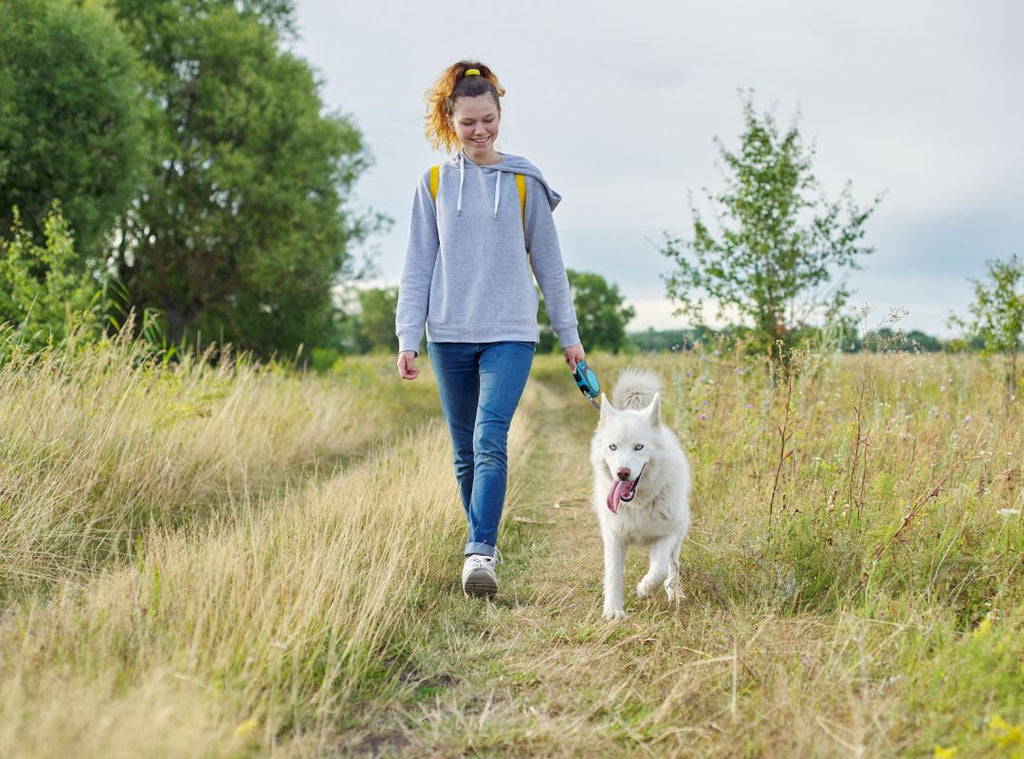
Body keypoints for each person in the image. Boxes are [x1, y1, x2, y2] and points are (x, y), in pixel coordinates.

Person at [395, 60, 585, 599]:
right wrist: (408, 336)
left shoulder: (525, 182)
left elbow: (550, 266)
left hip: (510, 332)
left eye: (488, 120)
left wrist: (568, 337)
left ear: (501, 114)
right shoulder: (432, 184)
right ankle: (484, 545)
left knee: (488, 437)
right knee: (462, 452)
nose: (480, 132)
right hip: (449, 334)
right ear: (449, 121)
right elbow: (418, 266)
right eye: (468, 122)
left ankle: (478, 550)